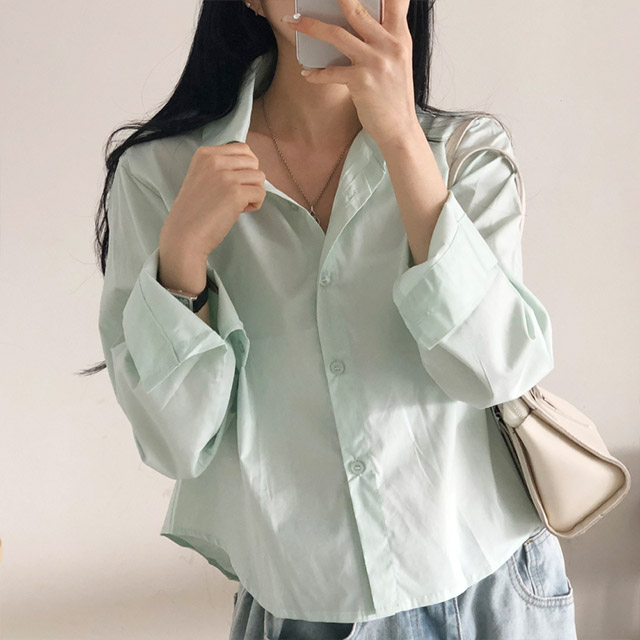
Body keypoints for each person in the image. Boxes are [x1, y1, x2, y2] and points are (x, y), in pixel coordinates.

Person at [84, 0, 578, 638]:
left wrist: (402, 140)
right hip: (301, 608)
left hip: (491, 586)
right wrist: (181, 260)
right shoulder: (161, 177)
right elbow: (174, 441)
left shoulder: (465, 154)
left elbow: (497, 370)